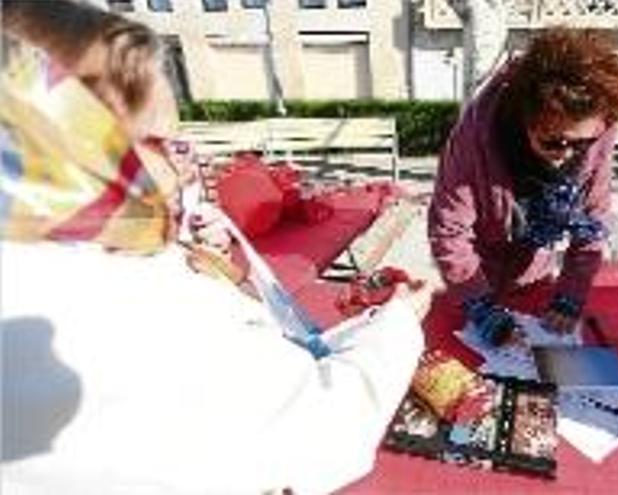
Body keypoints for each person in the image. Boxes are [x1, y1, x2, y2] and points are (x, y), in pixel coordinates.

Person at [0, 1, 426, 493]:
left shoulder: (54, 248)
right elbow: (319, 434)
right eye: (161, 143)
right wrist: (397, 323)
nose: (185, 166)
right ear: (72, 141)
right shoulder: (110, 305)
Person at [428, 27, 618, 345]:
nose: (566, 155)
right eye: (554, 141)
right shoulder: (474, 135)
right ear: (525, 116)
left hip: (535, 273)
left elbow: (593, 221)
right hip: (476, 268)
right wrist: (478, 304)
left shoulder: (599, 130)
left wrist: (571, 292)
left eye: (581, 143)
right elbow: (449, 231)